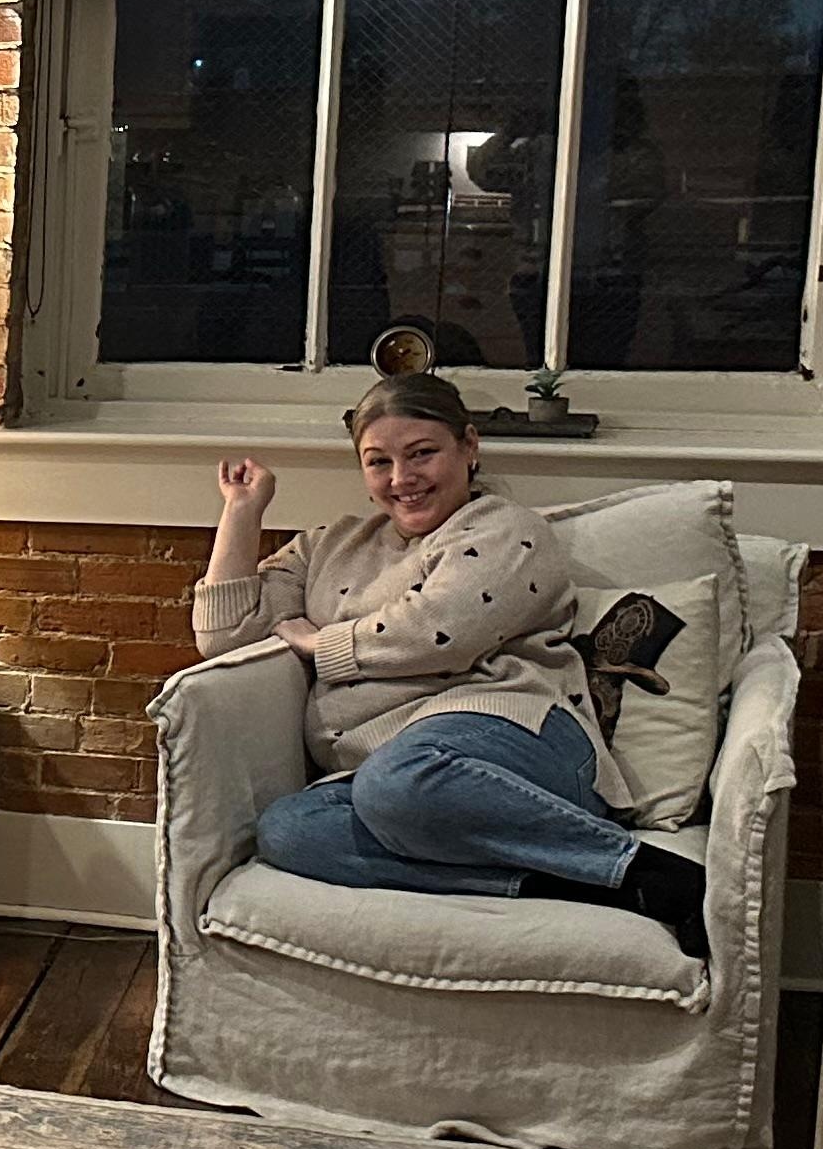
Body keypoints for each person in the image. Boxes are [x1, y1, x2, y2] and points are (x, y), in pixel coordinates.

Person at [193, 371, 708, 958]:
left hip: (519, 738)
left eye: (422, 454)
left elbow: (438, 633)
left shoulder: (507, 530)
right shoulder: (328, 545)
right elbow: (225, 636)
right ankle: (581, 883)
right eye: (378, 462)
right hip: (398, 771)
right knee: (291, 829)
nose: (401, 478)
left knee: (397, 780)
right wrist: (242, 511)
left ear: (469, 446)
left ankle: (647, 869)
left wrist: (319, 645)